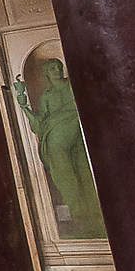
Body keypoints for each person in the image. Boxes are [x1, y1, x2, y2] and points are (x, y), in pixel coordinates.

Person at [15, 60, 104, 234]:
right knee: (67, 180)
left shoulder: (73, 86)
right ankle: (81, 218)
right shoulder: (47, 95)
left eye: (58, 67)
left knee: (87, 175)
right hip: (55, 143)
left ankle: (96, 216)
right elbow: (38, 125)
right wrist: (23, 105)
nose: (56, 70)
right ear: (46, 73)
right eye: (52, 68)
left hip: (78, 137)